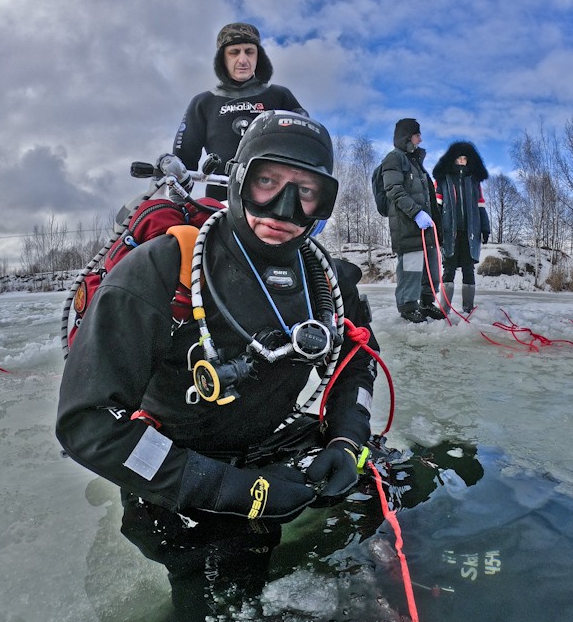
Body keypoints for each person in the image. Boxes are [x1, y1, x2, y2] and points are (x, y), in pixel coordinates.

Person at [56, 111, 377, 537]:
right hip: (179, 466)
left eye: (305, 190)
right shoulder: (164, 269)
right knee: (230, 593)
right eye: (267, 182)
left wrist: (346, 439)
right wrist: (231, 491)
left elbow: (357, 365)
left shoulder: (329, 282)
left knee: (394, 501)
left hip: (275, 443)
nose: (283, 210)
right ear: (239, 180)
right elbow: (88, 424)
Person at [173, 22, 307, 199]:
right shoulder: (203, 103)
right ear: (223, 58)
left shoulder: (280, 96)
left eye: (249, 52)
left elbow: (305, 147)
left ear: (259, 56)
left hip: (273, 201)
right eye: (234, 52)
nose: (243, 60)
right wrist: (178, 195)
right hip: (220, 202)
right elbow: (183, 160)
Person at [374, 118, 443, 323]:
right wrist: (416, 213)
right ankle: (408, 306)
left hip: (424, 228)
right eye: (417, 135)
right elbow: (394, 190)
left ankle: (427, 302)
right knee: (411, 267)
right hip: (407, 225)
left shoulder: (416, 163)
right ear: (407, 136)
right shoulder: (394, 159)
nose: (420, 139)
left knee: (431, 267)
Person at [432, 141, 490, 314]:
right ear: (453, 159)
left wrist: (485, 228)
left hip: (470, 233)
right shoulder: (443, 180)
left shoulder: (474, 181)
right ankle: (444, 309)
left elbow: (480, 206)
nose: (462, 161)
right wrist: (438, 229)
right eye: (459, 158)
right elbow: (437, 207)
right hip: (450, 233)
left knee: (468, 269)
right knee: (448, 269)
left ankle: (468, 308)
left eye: (465, 158)